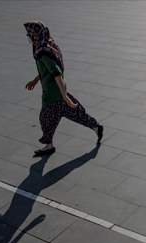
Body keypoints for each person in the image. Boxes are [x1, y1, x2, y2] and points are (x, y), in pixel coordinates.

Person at [24, 21, 103, 157]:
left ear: (35, 36)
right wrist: (36, 80)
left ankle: (49, 146)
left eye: (29, 35)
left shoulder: (43, 52)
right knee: (76, 113)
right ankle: (96, 127)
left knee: (45, 118)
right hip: (57, 93)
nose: (28, 38)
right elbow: (48, 70)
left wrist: (65, 96)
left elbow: (57, 74)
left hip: (54, 94)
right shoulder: (47, 45)